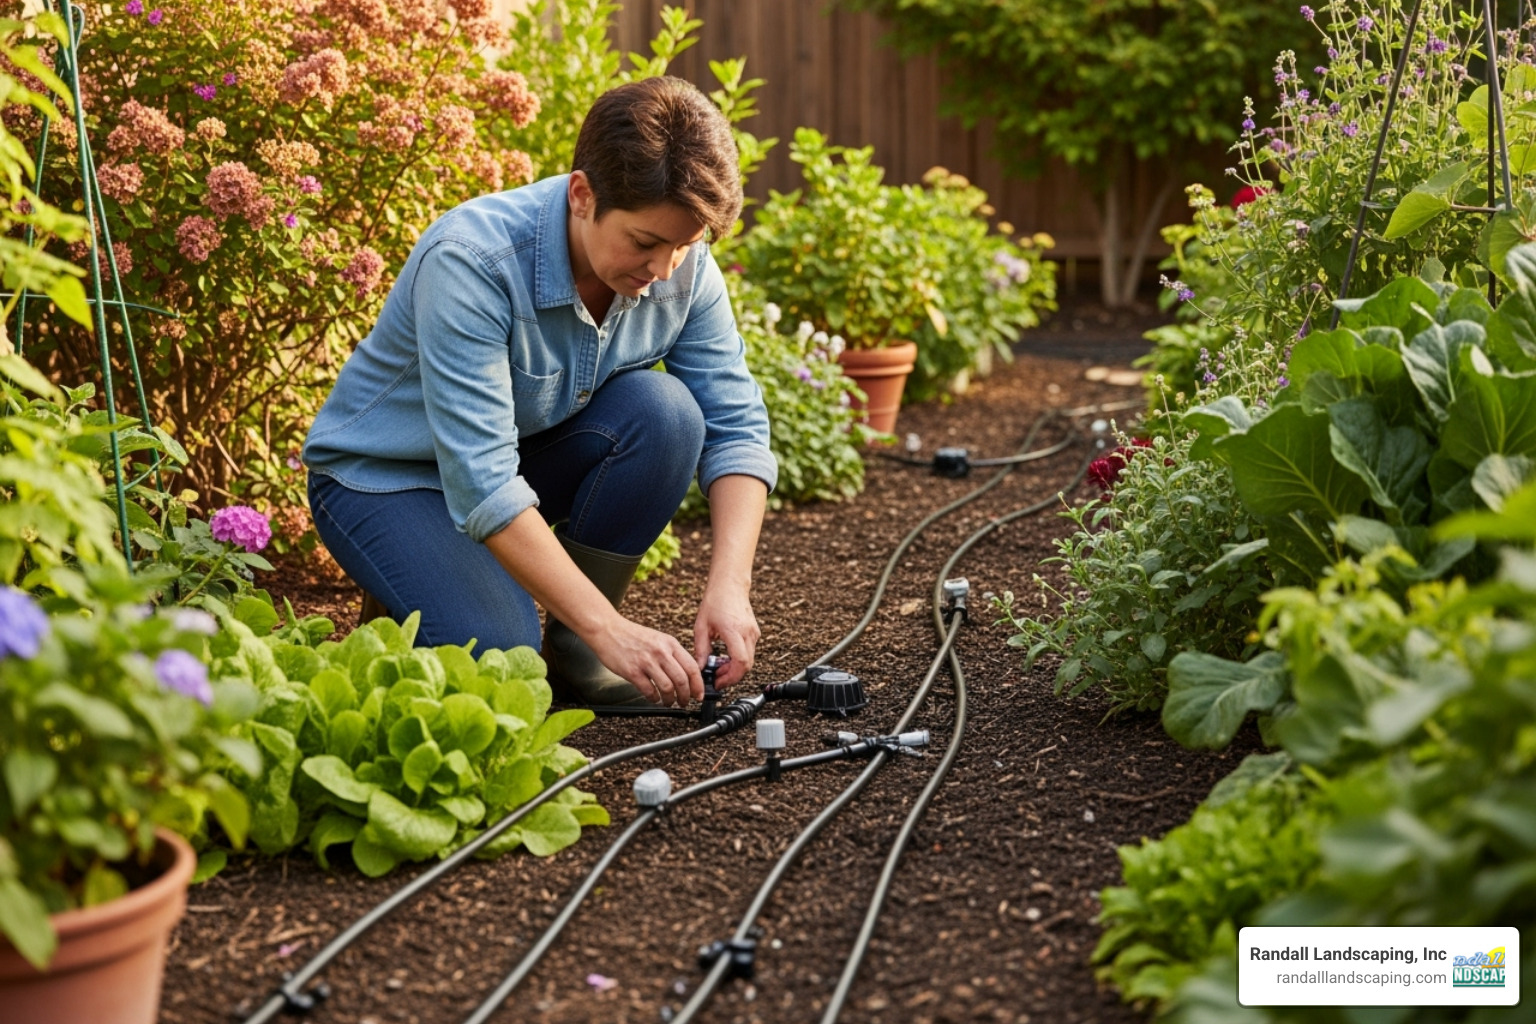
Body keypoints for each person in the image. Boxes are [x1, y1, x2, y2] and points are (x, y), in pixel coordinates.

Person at [302, 77, 777, 709]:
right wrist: (615, 630)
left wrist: (730, 586)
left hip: (514, 457)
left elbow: (735, 427)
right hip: (386, 480)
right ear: (583, 195)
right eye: (645, 242)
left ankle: (579, 662)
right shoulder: (473, 259)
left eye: (685, 247)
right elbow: (484, 479)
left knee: (665, 415)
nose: (664, 271)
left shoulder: (681, 268)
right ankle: (426, 588)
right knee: (504, 660)